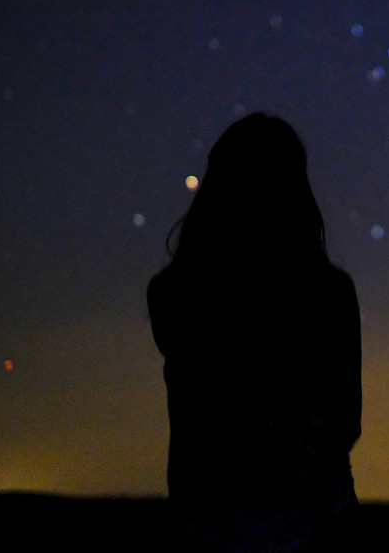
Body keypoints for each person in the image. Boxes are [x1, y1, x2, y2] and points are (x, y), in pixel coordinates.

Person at [147, 113, 361, 552]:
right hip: (310, 527)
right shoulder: (330, 294)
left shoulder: (173, 294)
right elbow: (345, 422)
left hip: (205, 528)